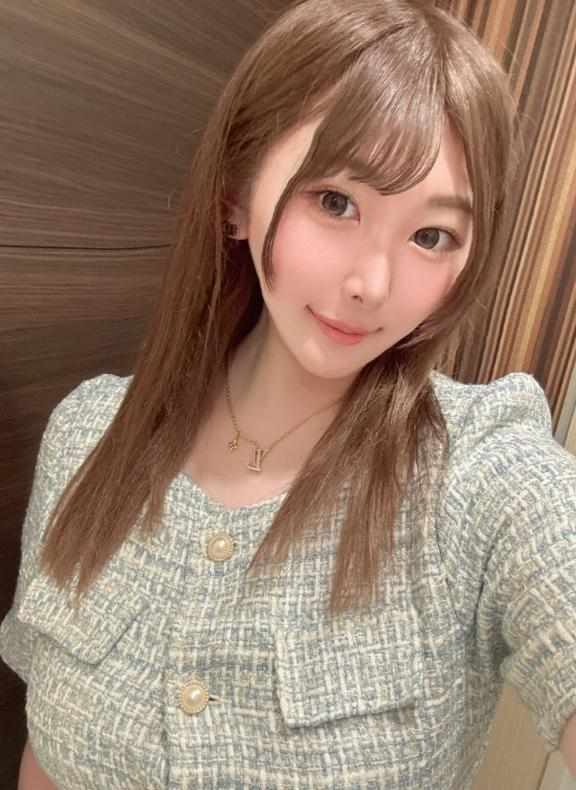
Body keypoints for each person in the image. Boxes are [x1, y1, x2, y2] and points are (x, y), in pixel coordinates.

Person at [2, 0, 576, 787]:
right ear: (237, 194)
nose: (372, 284)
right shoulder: (88, 435)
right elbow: (46, 753)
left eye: (431, 236)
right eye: (336, 201)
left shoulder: (477, 474)